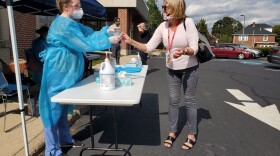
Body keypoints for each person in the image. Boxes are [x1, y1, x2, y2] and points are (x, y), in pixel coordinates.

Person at [38, 0, 120, 156]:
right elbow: (84, 43)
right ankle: (52, 150)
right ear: (66, 6)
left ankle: (65, 139)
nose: (80, 8)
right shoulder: (62, 24)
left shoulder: (71, 23)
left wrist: (107, 31)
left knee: (62, 107)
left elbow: (89, 33)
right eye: (77, 6)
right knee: (52, 108)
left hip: (65, 72)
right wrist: (106, 41)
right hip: (57, 71)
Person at [122, 0, 199, 150]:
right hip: (171, 68)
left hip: (190, 67)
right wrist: (130, 40)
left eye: (165, 6)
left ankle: (191, 134)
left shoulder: (187, 23)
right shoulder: (163, 26)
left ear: (176, 7)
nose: (162, 9)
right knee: (173, 101)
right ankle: (173, 131)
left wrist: (183, 51)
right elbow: (148, 47)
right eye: (162, 6)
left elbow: (194, 48)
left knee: (189, 100)